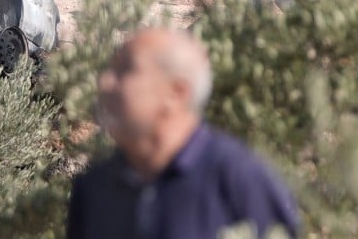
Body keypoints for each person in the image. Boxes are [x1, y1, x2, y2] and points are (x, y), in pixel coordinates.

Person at [66, 27, 299, 239]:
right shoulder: (94, 189)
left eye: (126, 70)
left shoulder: (239, 181)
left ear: (176, 93)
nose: (106, 83)